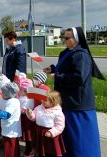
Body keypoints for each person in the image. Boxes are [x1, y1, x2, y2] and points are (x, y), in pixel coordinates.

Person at [43, 27, 104, 157]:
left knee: (80, 139)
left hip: (78, 104)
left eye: (67, 38)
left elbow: (79, 77)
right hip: (67, 101)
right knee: (70, 137)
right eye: (63, 37)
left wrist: (58, 77)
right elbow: (67, 68)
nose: (64, 40)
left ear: (76, 39)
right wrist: (53, 69)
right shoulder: (67, 52)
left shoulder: (81, 54)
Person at [26, 90, 66, 157]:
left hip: (50, 136)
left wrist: (52, 132)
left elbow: (60, 126)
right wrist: (30, 114)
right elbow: (34, 118)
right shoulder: (39, 108)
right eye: (43, 99)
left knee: (50, 152)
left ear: (53, 102)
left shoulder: (57, 113)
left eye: (46, 100)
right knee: (40, 150)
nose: (43, 100)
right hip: (39, 132)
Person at [0, 82, 22, 157]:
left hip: (11, 128)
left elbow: (6, 115)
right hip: (6, 126)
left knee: (10, 146)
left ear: (8, 94)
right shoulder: (4, 99)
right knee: (10, 145)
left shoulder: (13, 102)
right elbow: (1, 106)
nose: (1, 94)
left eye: (3, 93)